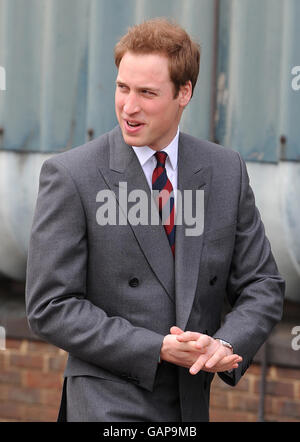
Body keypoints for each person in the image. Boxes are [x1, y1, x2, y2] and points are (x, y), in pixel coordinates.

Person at [25, 18, 285, 422]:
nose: (129, 106)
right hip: (106, 400)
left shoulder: (226, 170)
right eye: (122, 88)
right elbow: (50, 306)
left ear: (184, 93)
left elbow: (262, 284)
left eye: (147, 93)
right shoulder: (71, 175)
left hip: (191, 401)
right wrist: (156, 347)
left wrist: (224, 342)